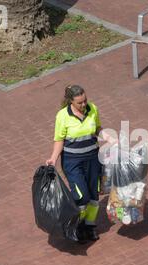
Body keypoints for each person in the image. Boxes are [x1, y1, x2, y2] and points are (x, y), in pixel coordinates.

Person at [46, 85, 113, 243]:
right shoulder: (62, 116)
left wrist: (109, 138)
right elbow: (59, 140)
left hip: (93, 159)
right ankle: (77, 225)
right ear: (71, 102)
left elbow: (97, 128)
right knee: (81, 196)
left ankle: (90, 226)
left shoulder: (92, 109)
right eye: (80, 103)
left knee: (94, 195)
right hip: (72, 161)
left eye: (85, 101)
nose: (84, 105)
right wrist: (53, 159)